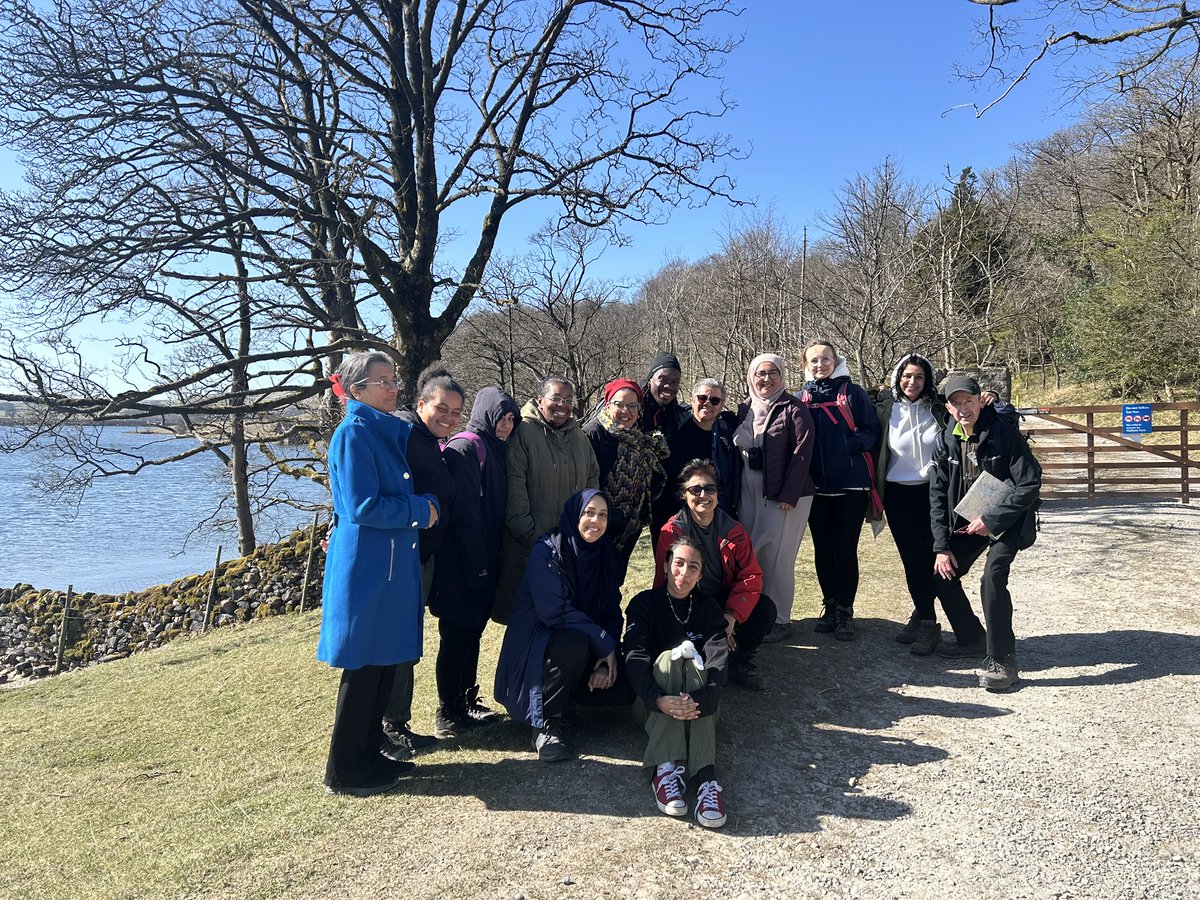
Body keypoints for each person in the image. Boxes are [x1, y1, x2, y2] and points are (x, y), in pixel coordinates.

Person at [317, 351, 439, 797]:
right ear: (356, 391)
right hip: (368, 569)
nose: (393, 387)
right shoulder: (353, 433)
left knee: (383, 663)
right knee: (365, 667)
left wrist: (423, 506)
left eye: (393, 379)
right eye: (382, 381)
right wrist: (419, 509)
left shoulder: (378, 430)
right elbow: (362, 506)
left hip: (385, 565)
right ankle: (345, 771)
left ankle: (368, 754)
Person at [493, 490, 633, 762]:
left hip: (583, 646)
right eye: (589, 513)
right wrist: (603, 641)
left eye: (603, 515)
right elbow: (555, 613)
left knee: (626, 685)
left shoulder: (607, 555)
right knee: (574, 642)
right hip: (541, 646)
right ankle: (546, 723)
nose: (596, 521)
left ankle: (571, 700)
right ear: (574, 515)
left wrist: (606, 659)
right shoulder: (548, 551)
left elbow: (611, 610)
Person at [930, 375, 1042, 692]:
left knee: (992, 578)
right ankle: (971, 639)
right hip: (968, 522)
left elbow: (1030, 483)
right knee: (941, 573)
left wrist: (992, 520)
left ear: (980, 401)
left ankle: (1002, 660)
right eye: (956, 403)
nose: (963, 408)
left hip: (1007, 522)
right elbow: (937, 496)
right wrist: (941, 547)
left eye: (969, 401)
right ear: (948, 408)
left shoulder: (1003, 433)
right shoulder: (945, 441)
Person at [875, 354, 989, 656]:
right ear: (898, 378)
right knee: (911, 560)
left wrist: (991, 397)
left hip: (935, 493)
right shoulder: (885, 411)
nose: (912, 382)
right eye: (907, 376)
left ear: (928, 381)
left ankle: (926, 618)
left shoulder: (939, 409)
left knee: (935, 557)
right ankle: (926, 618)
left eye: (919, 377)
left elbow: (970, 412)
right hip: (898, 495)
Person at [428, 386, 520, 737]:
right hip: (461, 563)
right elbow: (466, 515)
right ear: (485, 414)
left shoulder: (496, 449)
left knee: (472, 633)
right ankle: (447, 711)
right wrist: (477, 567)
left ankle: (466, 700)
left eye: (511, 419)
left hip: (484, 559)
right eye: (501, 418)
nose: (506, 426)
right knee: (456, 635)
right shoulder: (466, 448)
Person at [381, 364, 463, 755]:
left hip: (422, 557)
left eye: (455, 412)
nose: (448, 417)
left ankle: (397, 723)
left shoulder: (428, 440)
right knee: (398, 645)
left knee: (407, 644)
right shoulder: (402, 433)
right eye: (441, 408)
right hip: (402, 559)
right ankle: (390, 727)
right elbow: (375, 488)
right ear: (420, 404)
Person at [624, 536, 730, 828]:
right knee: (669, 659)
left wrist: (701, 700)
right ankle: (665, 770)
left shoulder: (708, 608)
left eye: (693, 567)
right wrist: (657, 699)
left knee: (694, 662)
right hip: (651, 705)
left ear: (700, 574)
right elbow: (634, 656)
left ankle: (706, 781)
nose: (684, 572)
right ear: (666, 565)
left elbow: (718, 659)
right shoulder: (644, 603)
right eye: (679, 563)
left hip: (701, 706)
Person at [655, 459, 776, 691]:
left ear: (718, 494)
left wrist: (731, 615)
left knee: (765, 609)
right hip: (689, 601)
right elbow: (665, 581)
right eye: (695, 489)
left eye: (709, 488)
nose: (703, 495)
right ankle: (705, 658)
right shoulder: (671, 532)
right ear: (684, 494)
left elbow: (751, 576)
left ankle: (739, 660)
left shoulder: (734, 530)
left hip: (724, 600)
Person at [493, 376, 599, 623]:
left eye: (568, 400)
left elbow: (592, 481)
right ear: (540, 400)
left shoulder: (579, 437)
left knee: (563, 619)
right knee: (526, 622)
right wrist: (531, 536)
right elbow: (515, 486)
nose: (563, 405)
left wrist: (584, 531)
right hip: (529, 547)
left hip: (570, 547)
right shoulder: (523, 432)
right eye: (556, 398)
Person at [800, 340, 881, 642]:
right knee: (822, 550)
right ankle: (830, 605)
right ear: (806, 365)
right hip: (816, 487)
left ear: (836, 361)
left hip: (851, 485)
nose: (820, 364)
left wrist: (853, 444)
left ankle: (845, 610)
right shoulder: (802, 397)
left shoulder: (853, 393)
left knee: (845, 550)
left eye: (825, 359)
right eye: (814, 360)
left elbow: (872, 429)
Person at [731, 352, 815, 643]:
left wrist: (789, 495)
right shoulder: (744, 408)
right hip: (749, 490)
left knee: (778, 558)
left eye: (773, 373)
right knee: (752, 554)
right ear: (751, 377)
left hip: (784, 495)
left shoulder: (794, 409)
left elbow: (802, 454)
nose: (766, 379)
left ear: (782, 376)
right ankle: (756, 615)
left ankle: (780, 619)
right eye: (760, 373)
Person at [583, 378, 668, 580]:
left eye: (632, 406)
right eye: (619, 404)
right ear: (607, 404)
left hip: (629, 527)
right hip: (597, 527)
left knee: (614, 581)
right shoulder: (593, 433)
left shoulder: (636, 437)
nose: (626, 411)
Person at [662, 378, 742, 519]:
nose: (707, 403)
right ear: (692, 400)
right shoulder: (674, 427)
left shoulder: (728, 434)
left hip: (715, 510)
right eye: (702, 398)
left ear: (722, 405)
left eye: (715, 400)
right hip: (674, 509)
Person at [641, 352, 689, 538]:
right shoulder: (631, 405)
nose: (669, 386)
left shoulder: (676, 414)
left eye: (675, 381)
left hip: (662, 496)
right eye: (663, 379)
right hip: (629, 493)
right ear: (650, 379)